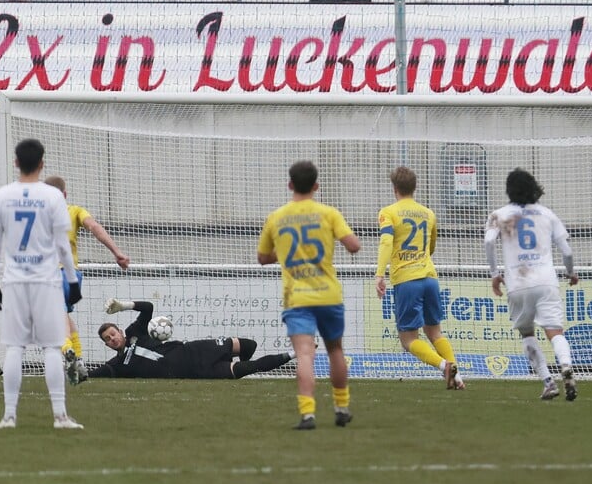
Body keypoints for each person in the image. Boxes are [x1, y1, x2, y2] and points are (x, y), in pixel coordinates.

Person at [0, 138, 85, 430]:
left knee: (15, 347)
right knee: (52, 348)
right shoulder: (53, 197)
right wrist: (72, 280)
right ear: (42, 163)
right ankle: (59, 416)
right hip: (47, 281)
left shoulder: (3, 196)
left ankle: (9, 416)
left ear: (16, 162)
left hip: (15, 281)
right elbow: (63, 246)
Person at [257, 160, 361, 430]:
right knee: (335, 349)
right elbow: (354, 245)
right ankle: (341, 407)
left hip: (298, 297)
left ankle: (307, 414)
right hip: (328, 294)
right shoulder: (328, 213)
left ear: (290, 185)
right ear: (316, 186)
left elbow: (262, 257)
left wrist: (285, 251)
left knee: (304, 354)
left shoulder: (276, 217)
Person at [484, 167, 578, 401]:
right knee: (555, 331)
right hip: (546, 281)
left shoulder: (499, 214)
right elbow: (566, 251)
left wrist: (495, 274)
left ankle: (548, 381)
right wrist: (571, 272)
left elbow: (488, 242)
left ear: (509, 190)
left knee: (527, 332)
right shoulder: (547, 214)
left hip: (518, 282)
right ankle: (565, 365)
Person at [375, 166, 464, 390]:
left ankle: (443, 365)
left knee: (408, 340)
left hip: (407, 280)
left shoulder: (388, 212)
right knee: (435, 332)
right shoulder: (428, 213)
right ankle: (457, 375)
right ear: (414, 188)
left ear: (394, 188)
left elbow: (386, 242)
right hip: (430, 278)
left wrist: (379, 273)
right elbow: (431, 245)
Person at [42, 175, 130, 384]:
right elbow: (95, 227)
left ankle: (67, 350)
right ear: (64, 194)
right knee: (65, 318)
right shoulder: (75, 211)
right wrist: (117, 252)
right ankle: (78, 361)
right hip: (73, 276)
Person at [77, 298, 295, 381]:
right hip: (195, 373)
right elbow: (98, 373)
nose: (112, 339)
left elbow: (149, 308)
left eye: (113, 333)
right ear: (107, 345)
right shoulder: (118, 364)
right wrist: (79, 374)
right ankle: (297, 353)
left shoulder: (135, 332)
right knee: (249, 369)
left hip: (195, 350)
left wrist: (124, 306)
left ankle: (237, 362)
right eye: (108, 339)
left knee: (249, 345)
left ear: (119, 332)